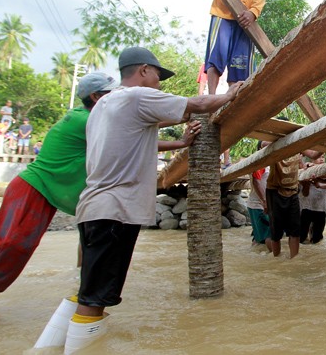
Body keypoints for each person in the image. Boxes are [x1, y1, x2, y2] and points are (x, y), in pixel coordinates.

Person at [60, 47, 242, 354]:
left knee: (88, 289)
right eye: (158, 75)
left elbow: (140, 139)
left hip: (93, 207)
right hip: (115, 211)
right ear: (143, 70)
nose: (159, 82)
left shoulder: (103, 108)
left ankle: (51, 345)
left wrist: (182, 142)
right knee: (96, 300)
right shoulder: (136, 96)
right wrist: (229, 94)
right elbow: (195, 104)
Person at [0, 72, 118, 326]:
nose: (118, 100)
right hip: (33, 192)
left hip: (31, 190)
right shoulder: (88, 121)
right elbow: (131, 135)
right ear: (96, 97)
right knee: (1, 264)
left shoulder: (83, 117)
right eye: (113, 95)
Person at [191, 0, 277, 167]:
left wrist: (253, 13)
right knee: (216, 60)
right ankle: (211, 101)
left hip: (245, 24)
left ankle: (232, 103)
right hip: (222, 14)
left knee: (240, 70)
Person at [265, 128, 322, 258]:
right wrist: (278, 141)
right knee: (276, 230)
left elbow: (314, 154)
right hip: (275, 190)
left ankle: (294, 260)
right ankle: (277, 258)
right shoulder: (274, 144)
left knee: (295, 229)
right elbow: (263, 144)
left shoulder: (298, 146)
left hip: (292, 191)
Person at [299, 154, 326, 244]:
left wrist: (318, 184)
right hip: (307, 208)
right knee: (301, 238)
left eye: (323, 157)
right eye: (319, 157)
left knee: (317, 239)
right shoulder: (306, 170)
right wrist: (307, 184)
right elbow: (304, 193)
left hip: (321, 208)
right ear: (312, 159)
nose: (322, 159)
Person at [247, 140, 273, 252]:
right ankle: (276, 259)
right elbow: (256, 181)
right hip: (259, 205)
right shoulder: (260, 162)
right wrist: (264, 201)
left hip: (260, 204)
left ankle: (254, 259)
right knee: (269, 234)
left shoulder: (267, 163)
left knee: (258, 237)